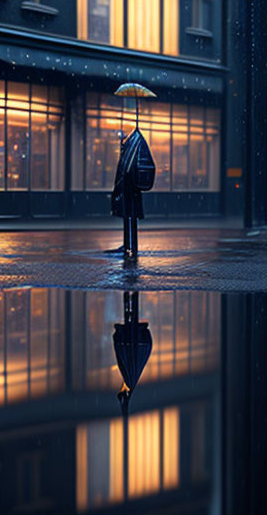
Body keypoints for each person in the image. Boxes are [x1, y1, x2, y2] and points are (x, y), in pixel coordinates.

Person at [111, 128, 154, 259]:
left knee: (130, 216)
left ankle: (131, 246)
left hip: (131, 191)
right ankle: (128, 245)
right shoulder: (131, 143)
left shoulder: (135, 142)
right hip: (129, 191)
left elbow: (140, 167)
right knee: (128, 216)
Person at [113, 291, 152, 416]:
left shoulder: (131, 376)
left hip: (134, 343)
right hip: (132, 342)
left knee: (130, 315)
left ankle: (132, 296)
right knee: (130, 315)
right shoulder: (129, 377)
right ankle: (131, 296)